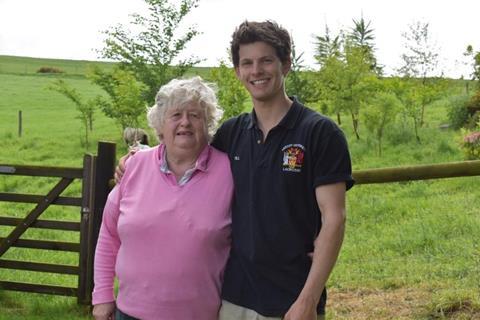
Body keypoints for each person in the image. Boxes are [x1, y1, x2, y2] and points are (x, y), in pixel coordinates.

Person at [116, 20, 354, 320]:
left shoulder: (320, 133)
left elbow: (334, 218)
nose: (257, 71)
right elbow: (183, 149)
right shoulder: (232, 133)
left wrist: (309, 299)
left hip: (291, 300)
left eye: (266, 60)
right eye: (247, 63)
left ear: (287, 65)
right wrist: (137, 159)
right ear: (238, 72)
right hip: (232, 298)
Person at [92, 76, 234, 320]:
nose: (185, 123)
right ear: (160, 124)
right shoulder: (134, 166)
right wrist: (103, 296)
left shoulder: (230, 172)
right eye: (176, 115)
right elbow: (108, 233)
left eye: (195, 115)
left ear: (207, 123)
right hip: (130, 313)